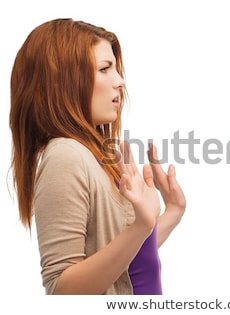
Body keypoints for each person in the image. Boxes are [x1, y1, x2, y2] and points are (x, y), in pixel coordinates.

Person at [9, 18, 186, 295]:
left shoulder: (95, 155)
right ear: (62, 81)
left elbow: (126, 262)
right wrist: (142, 223)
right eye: (105, 69)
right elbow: (63, 291)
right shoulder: (65, 156)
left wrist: (171, 212)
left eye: (116, 69)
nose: (120, 81)